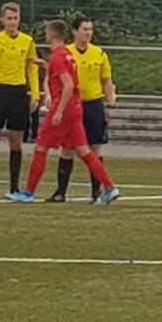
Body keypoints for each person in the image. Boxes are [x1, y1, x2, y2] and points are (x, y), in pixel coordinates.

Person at [10, 20, 120, 206]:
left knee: (41, 147)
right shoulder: (67, 55)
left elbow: (68, 85)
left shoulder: (58, 56)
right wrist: (46, 66)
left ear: (51, 35)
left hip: (65, 108)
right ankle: (109, 187)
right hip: (76, 108)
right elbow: (63, 76)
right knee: (84, 150)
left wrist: (59, 111)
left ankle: (29, 192)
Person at [0, 2, 41, 200]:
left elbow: (32, 68)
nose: (12, 22)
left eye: (15, 18)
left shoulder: (27, 41)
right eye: (9, 18)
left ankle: (14, 187)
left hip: (18, 92)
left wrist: (35, 94)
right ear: (2, 20)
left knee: (16, 142)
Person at [50, 17, 116, 202]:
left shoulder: (99, 54)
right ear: (75, 31)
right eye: (84, 29)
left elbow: (106, 80)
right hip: (73, 105)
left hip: (93, 104)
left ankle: (96, 192)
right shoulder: (67, 53)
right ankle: (61, 191)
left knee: (95, 148)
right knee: (67, 148)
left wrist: (110, 102)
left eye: (90, 29)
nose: (88, 33)